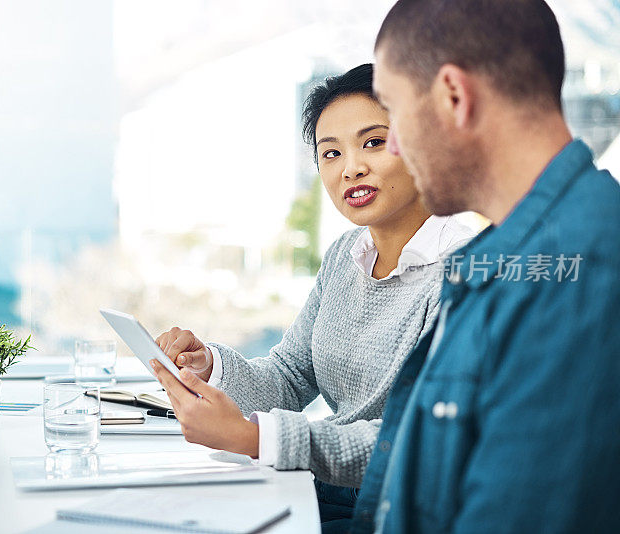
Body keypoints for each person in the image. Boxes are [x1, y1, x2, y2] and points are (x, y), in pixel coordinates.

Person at [149, 63, 476, 531]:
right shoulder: (347, 254)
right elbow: (289, 376)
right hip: (325, 488)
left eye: (374, 142)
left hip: (398, 510)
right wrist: (210, 367)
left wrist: (254, 437)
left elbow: (413, 439)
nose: (351, 168)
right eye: (331, 154)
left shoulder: (465, 274)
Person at [348, 1, 620, 533]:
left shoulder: (575, 277)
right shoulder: (508, 261)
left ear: (454, 96)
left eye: (393, 113)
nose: (397, 146)